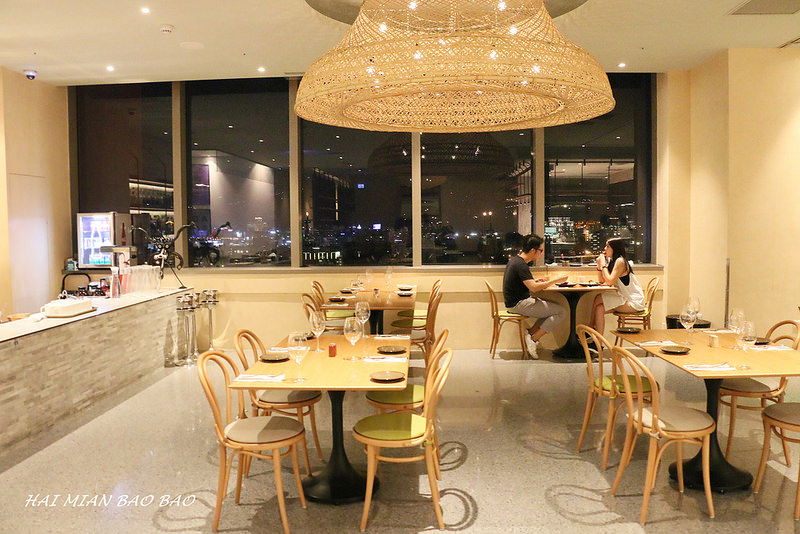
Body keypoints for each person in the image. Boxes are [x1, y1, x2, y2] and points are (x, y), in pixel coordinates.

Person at [502, 234, 568, 359]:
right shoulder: (521, 265)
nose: (541, 254)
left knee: (555, 309)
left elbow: (527, 283)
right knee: (561, 312)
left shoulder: (516, 261)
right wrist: (556, 280)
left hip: (515, 302)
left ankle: (531, 333)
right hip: (518, 304)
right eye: (541, 250)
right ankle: (533, 339)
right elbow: (534, 288)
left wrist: (536, 280)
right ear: (533, 250)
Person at [589, 237, 645, 334]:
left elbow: (610, 282)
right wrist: (599, 266)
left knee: (599, 300)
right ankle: (597, 338)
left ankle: (590, 329)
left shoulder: (620, 261)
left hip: (633, 301)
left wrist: (603, 265)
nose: (605, 249)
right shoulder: (612, 262)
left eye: (608, 247)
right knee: (599, 306)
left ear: (614, 248)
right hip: (624, 297)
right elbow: (602, 281)